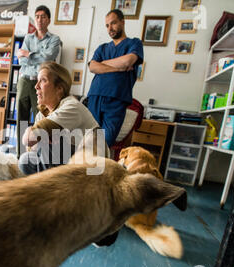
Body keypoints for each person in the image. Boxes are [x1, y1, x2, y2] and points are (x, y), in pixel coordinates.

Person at [18, 62, 100, 175]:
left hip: (92, 167)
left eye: (43, 80)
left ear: (59, 89)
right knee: (25, 160)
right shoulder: (42, 113)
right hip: (70, 160)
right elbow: (30, 146)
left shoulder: (72, 106)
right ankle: (45, 190)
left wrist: (37, 135)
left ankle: (53, 191)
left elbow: (29, 138)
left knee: (49, 146)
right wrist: (40, 136)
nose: (36, 86)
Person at [87, 9, 144, 148]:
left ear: (122, 22)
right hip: (95, 96)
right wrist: (118, 68)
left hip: (116, 98)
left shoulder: (134, 43)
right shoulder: (103, 48)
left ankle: (97, 169)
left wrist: (103, 64)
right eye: (107, 25)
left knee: (104, 143)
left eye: (113, 23)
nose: (110, 28)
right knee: (88, 141)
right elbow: (92, 67)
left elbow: (128, 61)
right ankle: (83, 169)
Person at [16, 5, 61, 157]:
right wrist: (34, 57)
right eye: (37, 16)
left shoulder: (54, 39)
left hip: (42, 84)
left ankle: (37, 155)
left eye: (43, 16)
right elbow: (21, 61)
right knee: (21, 117)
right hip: (25, 81)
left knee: (40, 119)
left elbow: (48, 58)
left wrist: (28, 54)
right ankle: (20, 154)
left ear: (48, 20)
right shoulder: (28, 38)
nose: (39, 20)